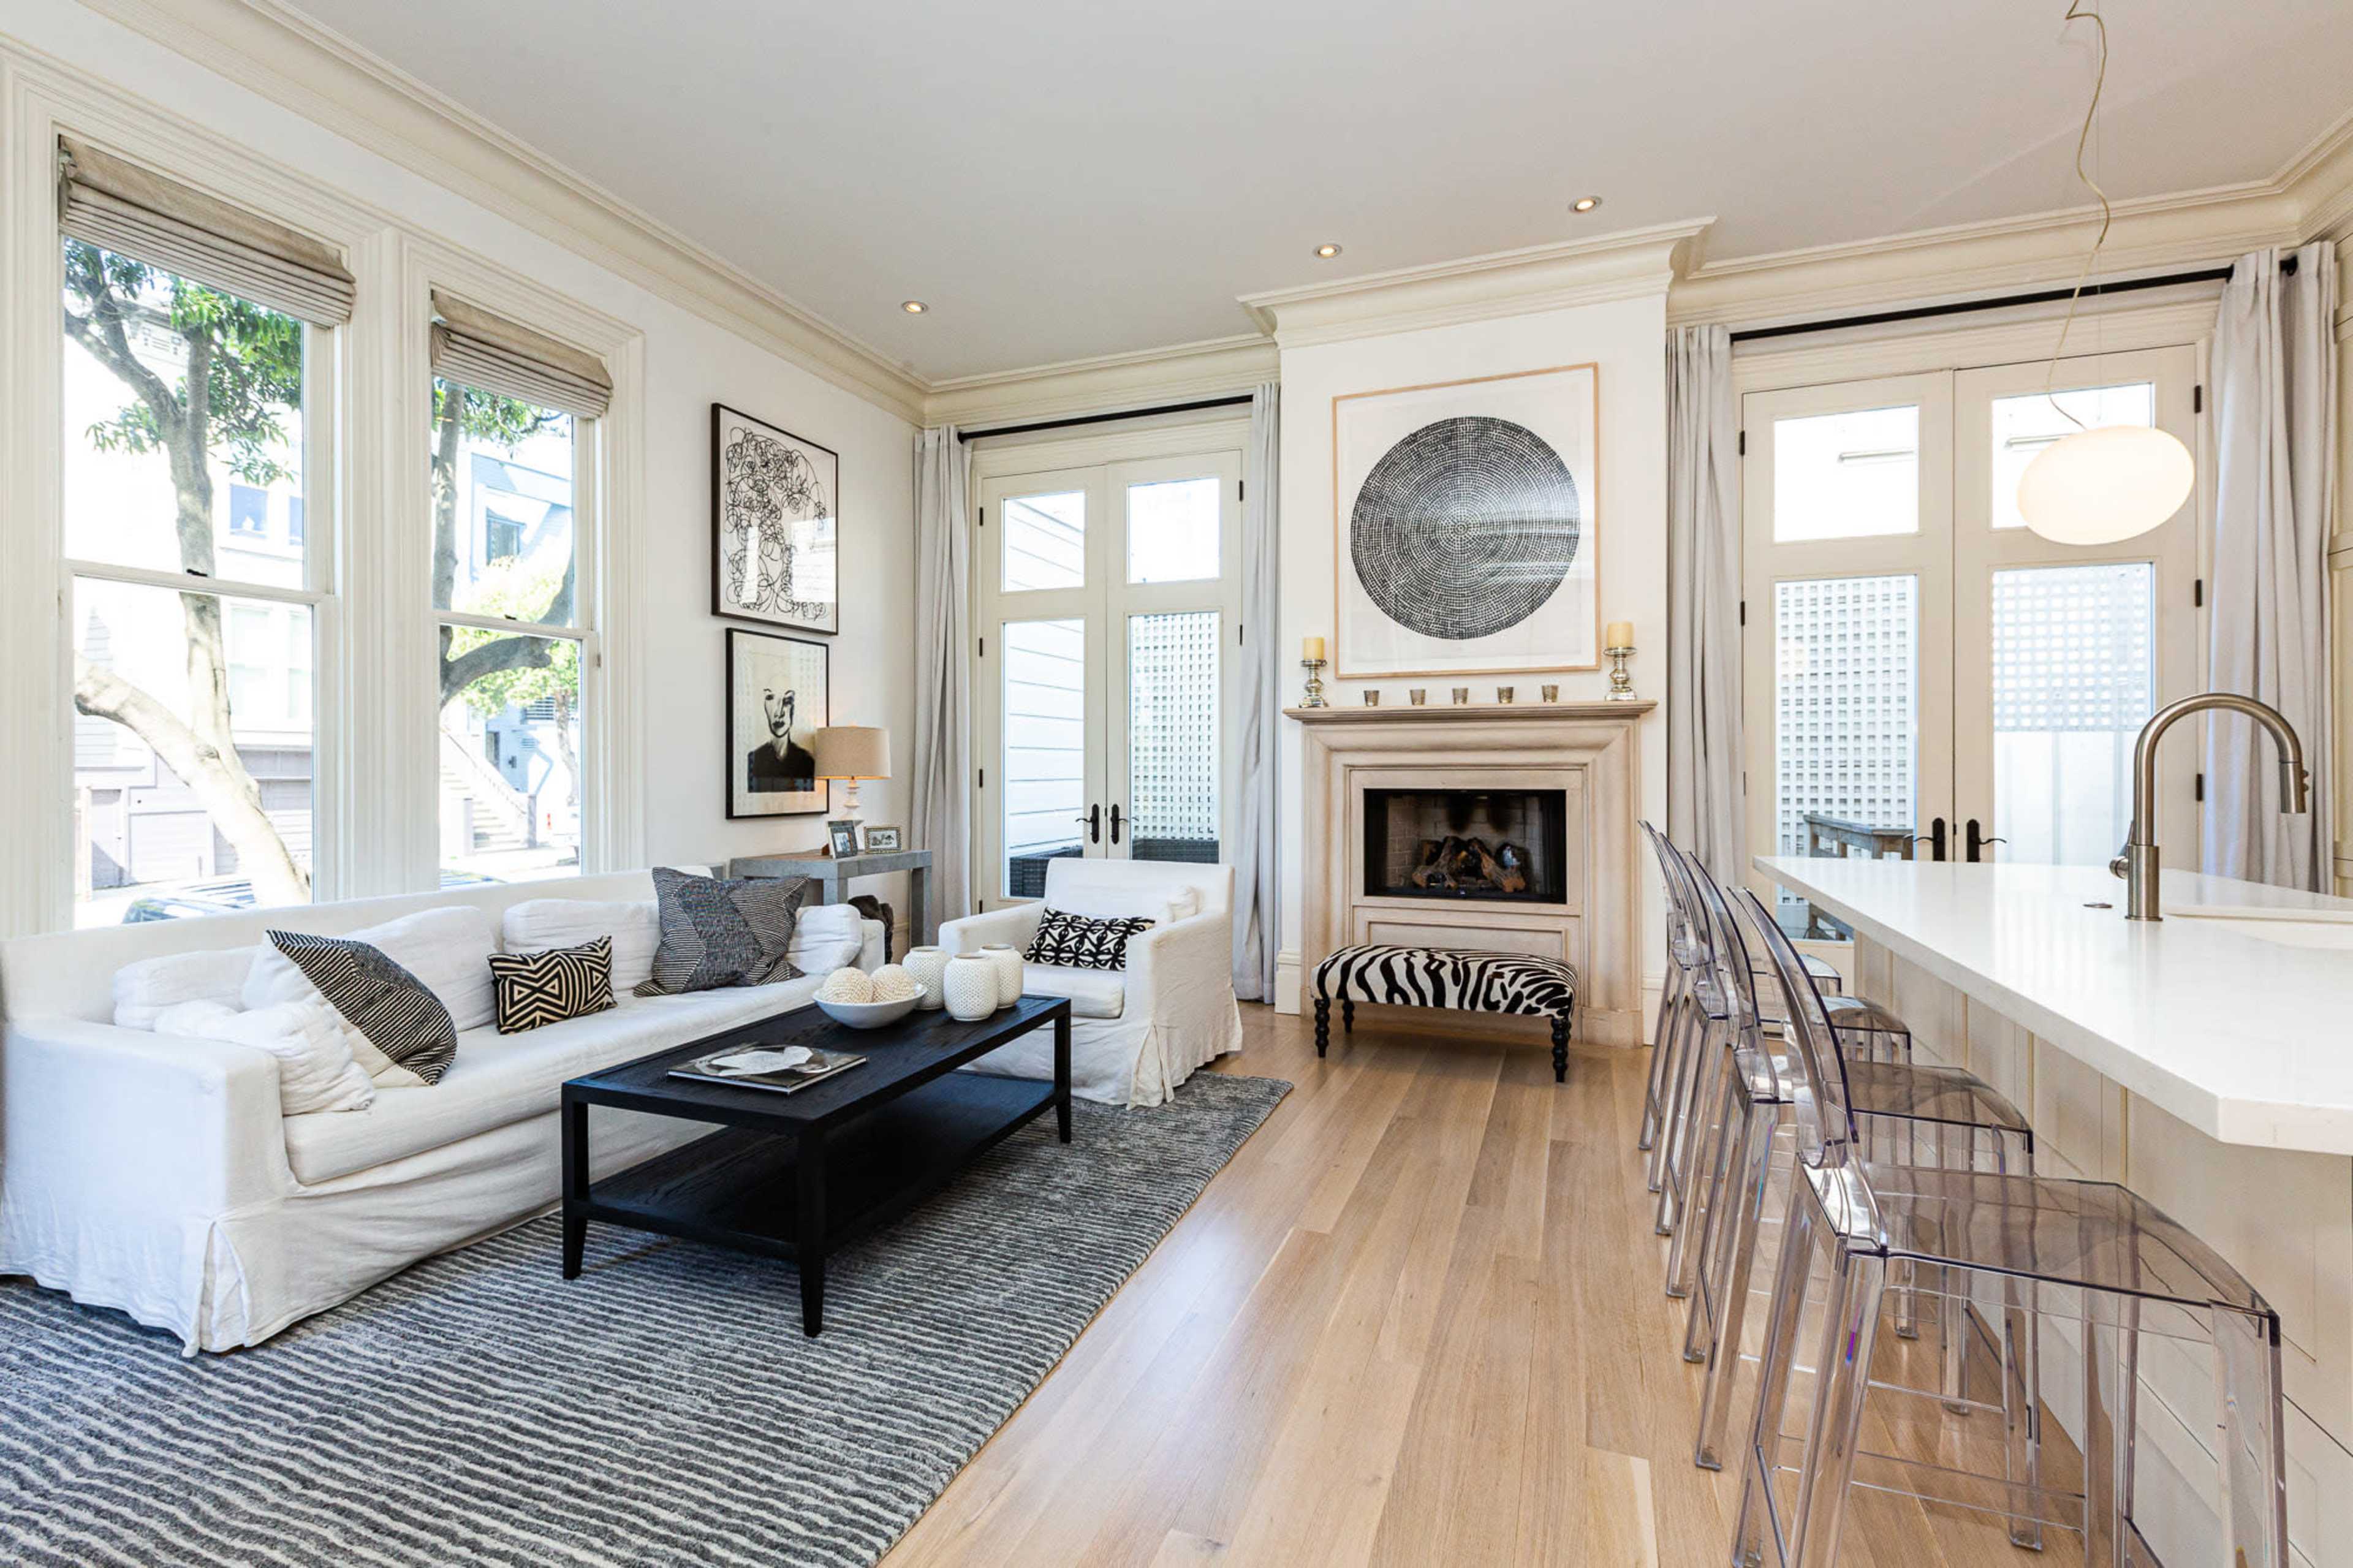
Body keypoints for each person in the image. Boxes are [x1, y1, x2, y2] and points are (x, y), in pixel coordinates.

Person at [745, 686, 816, 792]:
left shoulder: (807, 761)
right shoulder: (754, 759)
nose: (779, 712)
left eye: (788, 701)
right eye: (770, 698)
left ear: (794, 709)